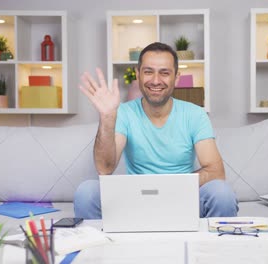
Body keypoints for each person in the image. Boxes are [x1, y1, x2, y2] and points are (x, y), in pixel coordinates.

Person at [74, 42, 238, 219]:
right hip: (136, 201)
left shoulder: (195, 114)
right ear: (138, 75)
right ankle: (100, 246)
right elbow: (104, 169)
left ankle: (213, 247)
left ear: (176, 78)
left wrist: (166, 187)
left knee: (222, 192)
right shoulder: (124, 113)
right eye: (148, 71)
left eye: (165, 73)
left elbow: (216, 172)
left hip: (183, 198)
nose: (155, 80)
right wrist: (107, 117)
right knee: (86, 192)